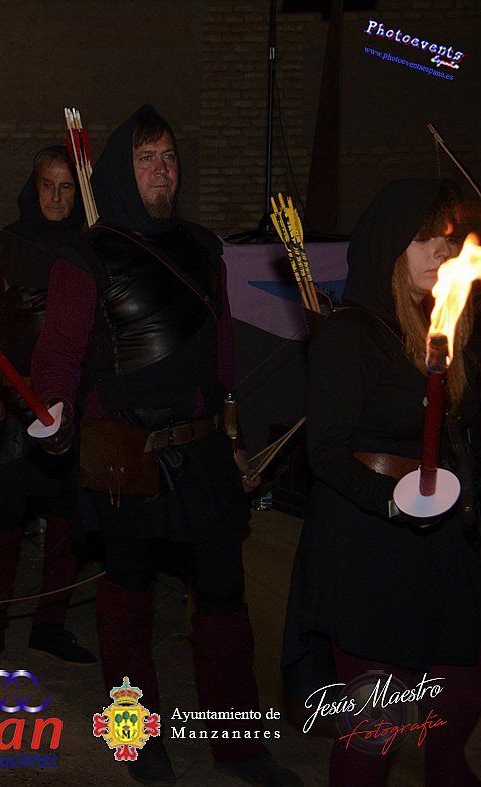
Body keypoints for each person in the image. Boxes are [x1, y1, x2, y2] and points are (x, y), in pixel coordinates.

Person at [31, 105, 298, 786]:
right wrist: (53, 410)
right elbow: (58, 352)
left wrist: (233, 438)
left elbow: (222, 354)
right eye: (147, 158)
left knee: (223, 595)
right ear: (123, 171)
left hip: (202, 447)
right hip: (126, 451)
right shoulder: (85, 255)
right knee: (127, 594)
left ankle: (237, 743)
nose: (163, 171)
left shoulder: (203, 247)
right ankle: (132, 734)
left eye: (170, 157)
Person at [282, 179, 481, 786]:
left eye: (447, 240)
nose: (441, 253)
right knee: (375, 733)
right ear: (389, 247)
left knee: (454, 723)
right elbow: (326, 452)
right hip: (370, 554)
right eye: (424, 240)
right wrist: (391, 503)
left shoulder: (445, 328)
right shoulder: (350, 334)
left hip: (445, 553)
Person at [0, 146, 95, 671]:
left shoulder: (92, 247)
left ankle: (50, 624)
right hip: (17, 404)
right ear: (32, 186)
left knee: (67, 517)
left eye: (67, 187)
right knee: (5, 517)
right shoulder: (1, 247)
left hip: (72, 401)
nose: (57, 197)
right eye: (47, 185)